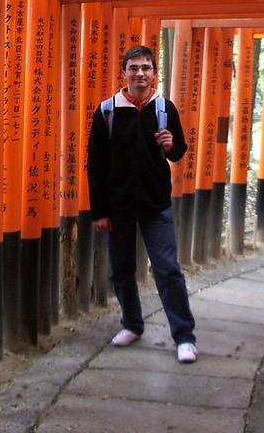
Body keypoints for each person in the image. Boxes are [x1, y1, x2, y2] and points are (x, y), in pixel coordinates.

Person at [87, 45, 198, 363]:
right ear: (124, 73)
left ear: (153, 72)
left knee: (168, 270)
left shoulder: (165, 108)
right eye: (133, 68)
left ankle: (184, 337)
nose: (140, 73)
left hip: (155, 204)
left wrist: (171, 145)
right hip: (118, 206)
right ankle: (132, 324)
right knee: (121, 271)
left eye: (146, 68)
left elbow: (178, 151)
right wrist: (100, 211)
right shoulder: (108, 111)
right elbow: (95, 164)